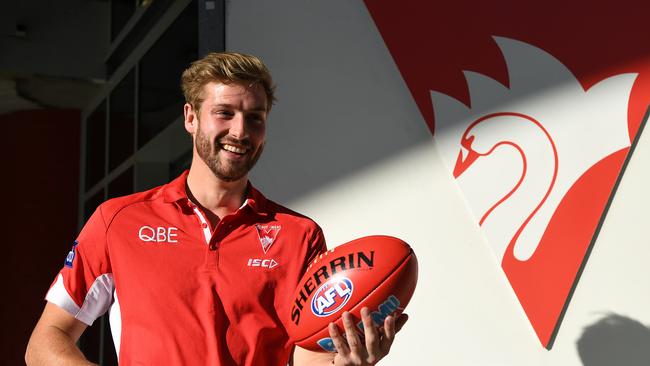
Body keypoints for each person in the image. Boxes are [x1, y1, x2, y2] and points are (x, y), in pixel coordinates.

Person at [25, 52, 407, 365]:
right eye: (224, 113)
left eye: (255, 118)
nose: (241, 132)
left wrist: (350, 362)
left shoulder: (299, 234)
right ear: (191, 118)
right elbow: (46, 341)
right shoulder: (119, 221)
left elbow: (311, 360)